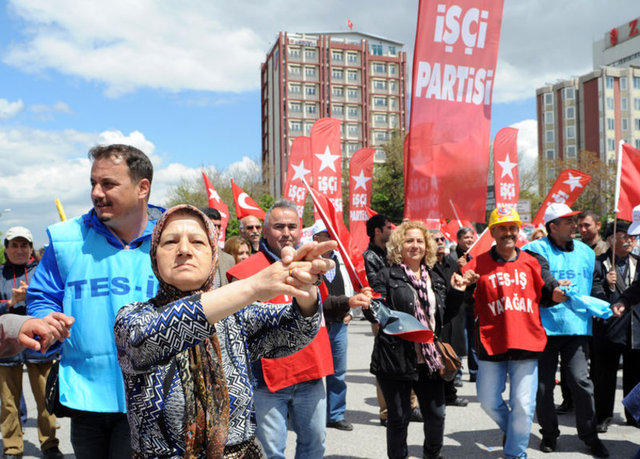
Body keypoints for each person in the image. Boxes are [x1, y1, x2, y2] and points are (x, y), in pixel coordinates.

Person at [114, 205, 333, 457]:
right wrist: (253, 287)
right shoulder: (133, 318)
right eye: (170, 242)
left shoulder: (235, 317)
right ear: (154, 254)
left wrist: (305, 289)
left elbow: (295, 329)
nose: (184, 250)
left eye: (197, 242)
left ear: (213, 255)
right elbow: (152, 339)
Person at [27, 144, 164, 458]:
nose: (97, 193)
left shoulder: (173, 236)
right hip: (86, 396)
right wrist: (46, 318)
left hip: (152, 397)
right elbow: (42, 298)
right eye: (93, 183)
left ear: (143, 187)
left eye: (108, 184)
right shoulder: (66, 239)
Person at [245, 200, 335, 459]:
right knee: (271, 454)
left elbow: (321, 311)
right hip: (267, 382)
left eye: (292, 226)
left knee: (315, 446)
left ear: (300, 230)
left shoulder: (313, 266)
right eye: (278, 226)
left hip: (311, 375)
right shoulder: (246, 271)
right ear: (265, 231)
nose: (286, 232)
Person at [462, 207, 552, 459]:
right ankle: (515, 431)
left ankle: (516, 453)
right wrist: (463, 284)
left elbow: (548, 291)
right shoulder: (476, 264)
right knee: (488, 400)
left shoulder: (532, 261)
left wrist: (559, 291)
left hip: (527, 342)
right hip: (492, 342)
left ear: (518, 231)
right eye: (502, 228)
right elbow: (462, 293)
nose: (508, 232)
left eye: (512, 227)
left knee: (524, 405)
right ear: (492, 232)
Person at [370, 221, 465, 459]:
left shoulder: (435, 277)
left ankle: (432, 455)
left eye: (420, 241)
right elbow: (375, 312)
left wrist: (457, 292)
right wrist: (369, 303)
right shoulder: (386, 275)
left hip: (430, 359)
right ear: (399, 246)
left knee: (436, 416)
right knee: (398, 420)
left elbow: (445, 316)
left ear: (427, 246)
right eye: (409, 240)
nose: (415, 246)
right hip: (396, 359)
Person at [523, 203, 609, 457]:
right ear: (553, 227)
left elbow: (594, 284)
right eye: (569, 222)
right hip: (544, 328)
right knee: (543, 386)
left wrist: (604, 304)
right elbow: (544, 277)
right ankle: (549, 434)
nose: (575, 225)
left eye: (575, 221)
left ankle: (590, 436)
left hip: (577, 327)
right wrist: (554, 288)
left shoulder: (586, 252)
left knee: (581, 382)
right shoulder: (535, 249)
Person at [0, 226, 65, 459]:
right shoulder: (0, 274)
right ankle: (13, 448)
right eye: (14, 245)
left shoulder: (41, 272)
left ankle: (50, 445)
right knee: (9, 404)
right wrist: (10, 303)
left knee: (46, 401)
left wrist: (32, 298)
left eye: (24, 245)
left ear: (30, 248)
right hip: (7, 350)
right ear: (6, 249)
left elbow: (54, 301)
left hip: (41, 346)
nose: (19, 249)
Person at [311, 220, 372, 431]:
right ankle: (311, 416)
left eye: (333, 235)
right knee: (313, 374)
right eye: (327, 236)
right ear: (316, 239)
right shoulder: (307, 263)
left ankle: (335, 414)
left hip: (338, 325)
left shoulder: (344, 262)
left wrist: (350, 313)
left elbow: (352, 288)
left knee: (338, 373)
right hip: (314, 327)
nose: (332, 240)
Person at [591, 221, 640, 431]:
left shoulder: (638, 261)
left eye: (632, 236)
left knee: (635, 372)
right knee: (606, 374)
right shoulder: (598, 263)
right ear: (611, 239)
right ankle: (603, 415)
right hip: (609, 327)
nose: (630, 240)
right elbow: (592, 294)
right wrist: (605, 285)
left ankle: (633, 413)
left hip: (635, 326)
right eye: (624, 236)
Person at [431, 229, 468, 407]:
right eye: (435, 239)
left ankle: (450, 395)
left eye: (442, 239)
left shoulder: (451, 263)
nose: (440, 242)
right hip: (437, 320)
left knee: (451, 357)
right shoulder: (426, 266)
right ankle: (437, 396)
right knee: (438, 358)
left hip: (453, 317)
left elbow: (462, 290)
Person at [447, 226, 478, 383]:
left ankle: (475, 371)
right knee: (459, 339)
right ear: (458, 239)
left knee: (474, 339)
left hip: (473, 303)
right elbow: (451, 279)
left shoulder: (476, 256)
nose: (469, 240)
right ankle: (457, 372)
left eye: (471, 237)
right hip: (458, 304)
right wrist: (461, 268)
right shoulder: (451, 257)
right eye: (466, 237)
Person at [199, 207, 235, 287]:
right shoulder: (190, 256)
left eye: (219, 227)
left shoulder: (229, 260)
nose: (217, 231)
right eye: (212, 225)